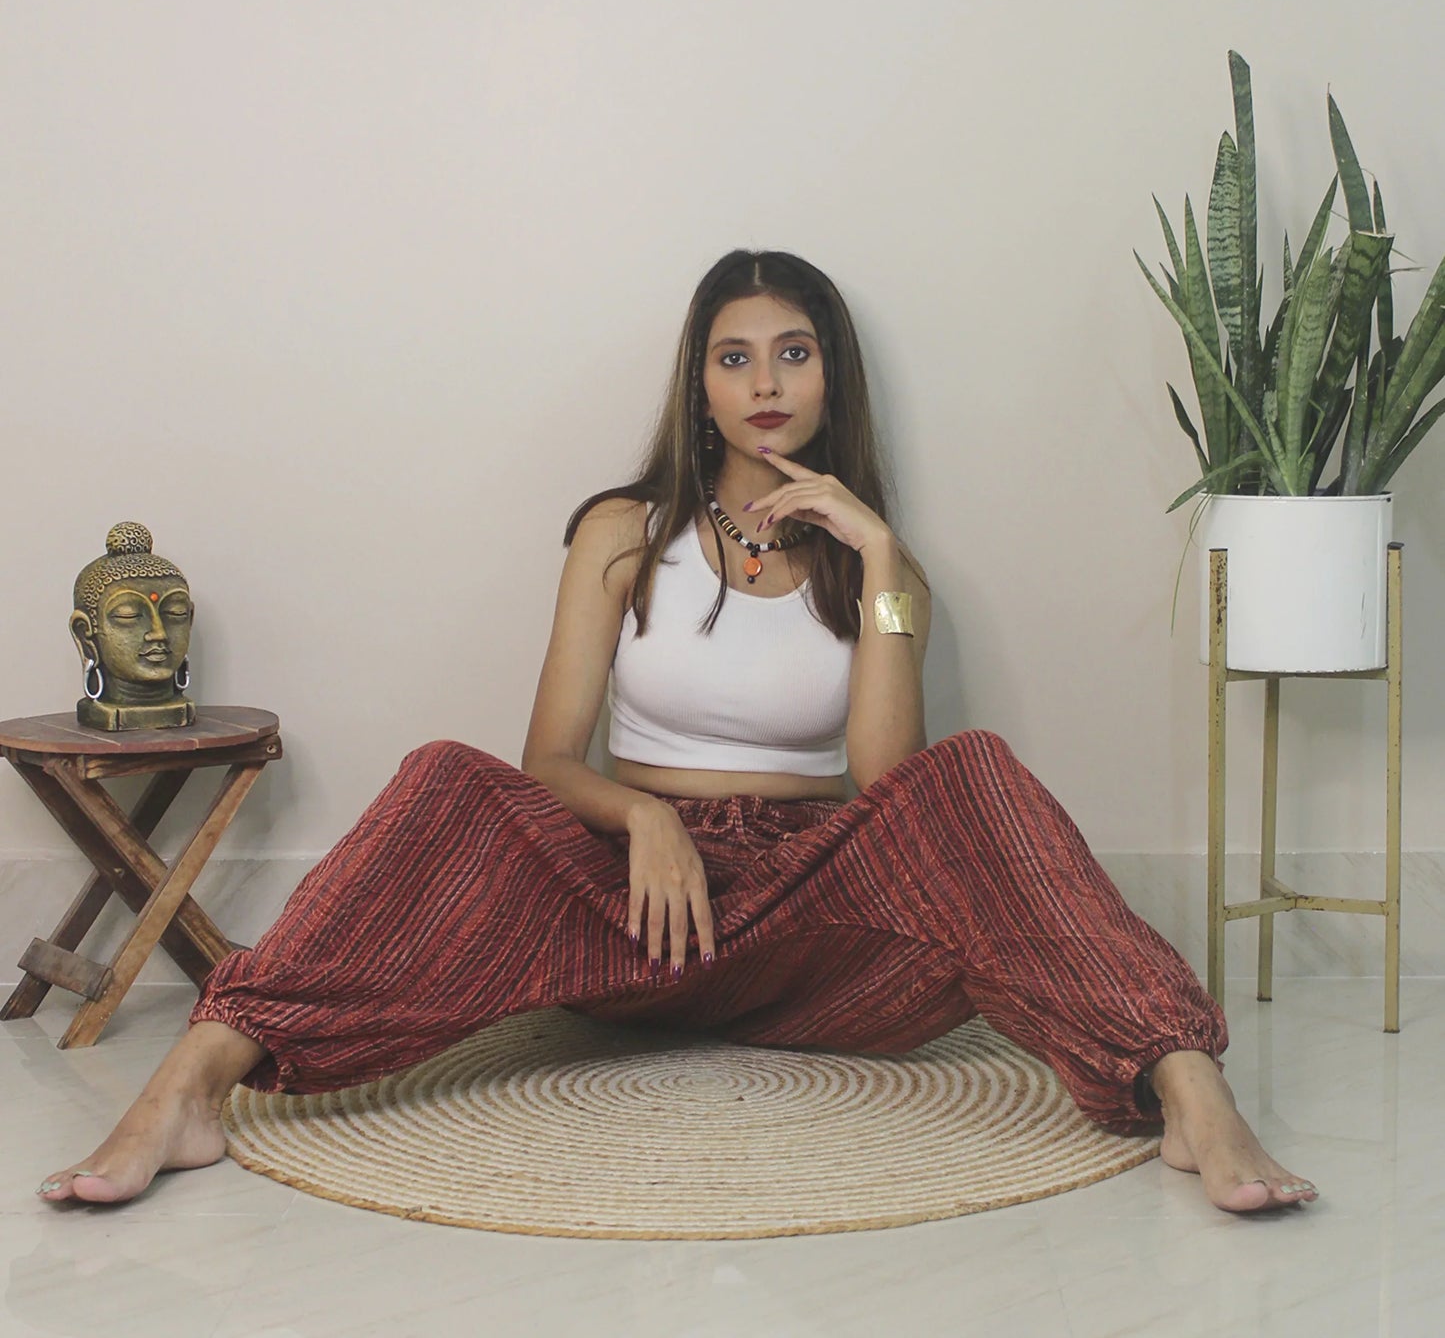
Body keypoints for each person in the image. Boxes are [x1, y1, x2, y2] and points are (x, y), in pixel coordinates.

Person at [38, 249, 1316, 1215]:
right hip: (626, 913)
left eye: (795, 353)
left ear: (833, 377)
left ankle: (1182, 1089)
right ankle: (192, 1088)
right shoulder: (621, 531)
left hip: (808, 928)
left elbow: (888, 784)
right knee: (443, 777)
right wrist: (644, 813)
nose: (765, 383)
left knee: (967, 773)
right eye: (735, 356)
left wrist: (874, 549)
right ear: (698, 384)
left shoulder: (881, 571)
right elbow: (544, 759)